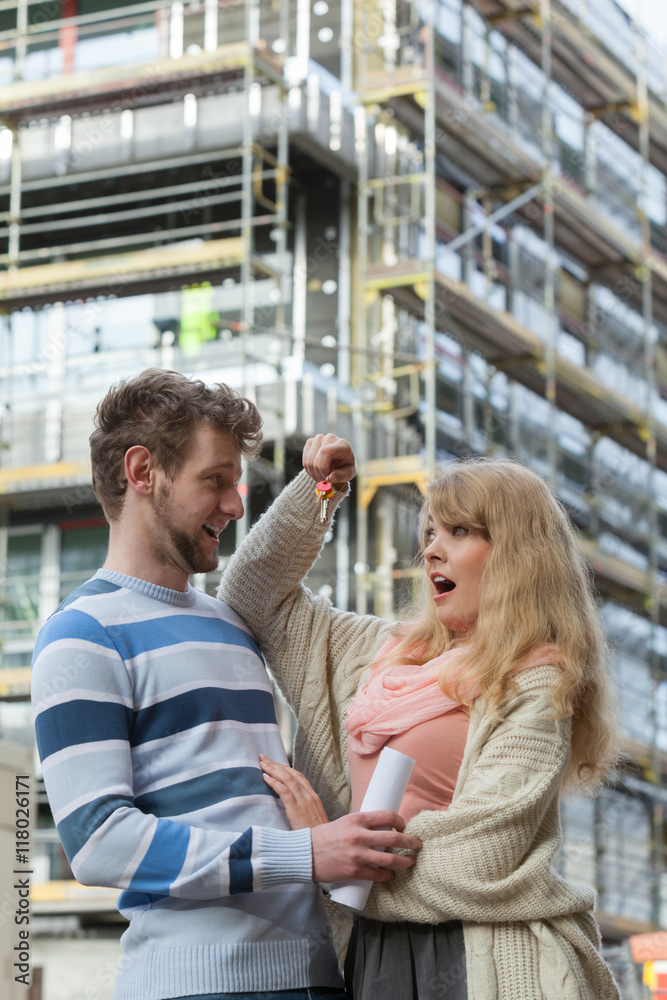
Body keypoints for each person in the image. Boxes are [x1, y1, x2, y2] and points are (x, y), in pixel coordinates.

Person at [30, 373, 421, 1000]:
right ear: (143, 471)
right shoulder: (82, 636)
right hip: (194, 987)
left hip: (317, 978)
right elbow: (98, 843)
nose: (236, 504)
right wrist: (305, 855)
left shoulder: (231, 621)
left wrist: (324, 486)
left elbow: (268, 566)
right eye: (215, 480)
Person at [218, 433, 623, 1000]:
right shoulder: (380, 653)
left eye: (459, 532)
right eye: (429, 532)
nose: (431, 549)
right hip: (368, 950)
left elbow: (481, 854)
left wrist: (330, 855)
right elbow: (253, 594)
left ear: (516, 553)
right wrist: (320, 491)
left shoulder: (538, 676)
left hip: (487, 960)